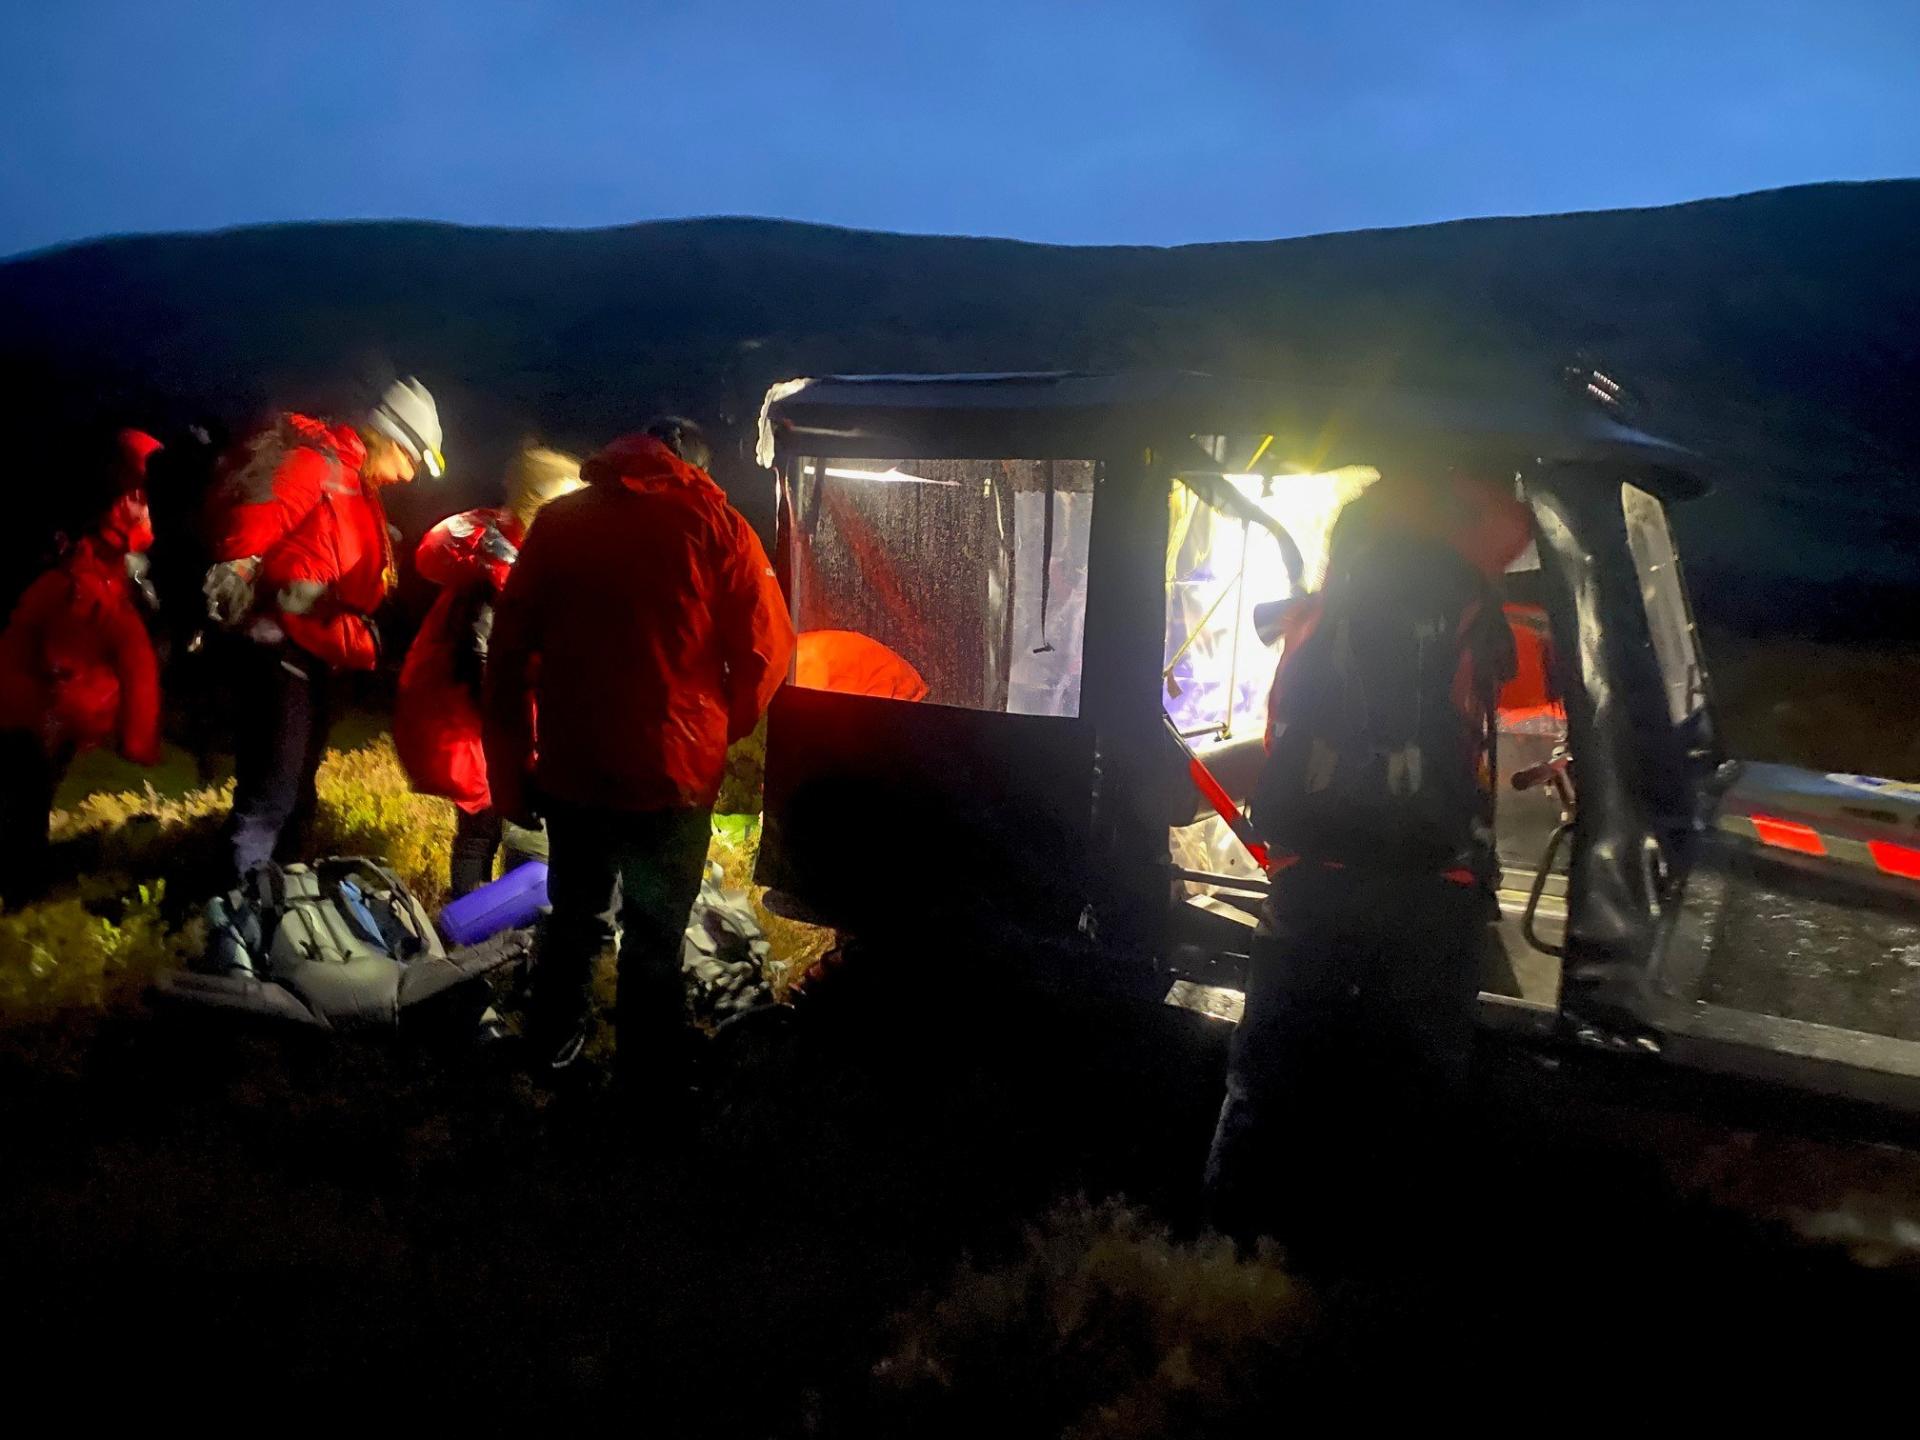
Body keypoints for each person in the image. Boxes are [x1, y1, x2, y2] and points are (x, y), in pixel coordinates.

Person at [1204, 467, 1530, 1244]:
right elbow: (1504, 715)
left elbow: (1285, 740)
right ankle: (1375, 1271)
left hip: (1311, 893)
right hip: (1432, 898)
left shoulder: (1321, 615)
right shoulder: (1472, 607)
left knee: (1267, 1091)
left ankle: (1224, 1264)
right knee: (1407, 1110)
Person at [484, 417, 795, 1082]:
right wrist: (722, 728)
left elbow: (506, 653)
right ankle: (646, 1078)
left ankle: (550, 1058)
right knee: (656, 932)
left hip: (576, 767)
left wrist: (510, 771)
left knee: (575, 918)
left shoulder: (560, 522)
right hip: (672, 775)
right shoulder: (718, 525)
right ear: (692, 466)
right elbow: (768, 650)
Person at [203, 378, 443, 883]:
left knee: (296, 794)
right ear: (389, 438)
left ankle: (288, 901)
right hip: (281, 653)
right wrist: (245, 576)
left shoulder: (358, 482)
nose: (409, 474)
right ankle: (236, 904)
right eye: (411, 459)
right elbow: (246, 539)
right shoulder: (317, 467)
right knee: (269, 797)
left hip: (319, 657)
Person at [395, 445, 583, 896]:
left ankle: (476, 922)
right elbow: (479, 653)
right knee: (485, 832)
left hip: (483, 725)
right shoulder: (499, 572)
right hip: (481, 729)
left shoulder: (506, 556)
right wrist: (508, 723)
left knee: (483, 831)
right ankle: (475, 925)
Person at [0, 429, 163, 901]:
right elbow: (54, 637)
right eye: (143, 497)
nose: (149, 507)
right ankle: (20, 895)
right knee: (23, 797)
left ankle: (22, 885)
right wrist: (54, 705)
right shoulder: (83, 561)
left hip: (49, 700)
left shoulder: (103, 553)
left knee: (30, 797)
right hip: (36, 703)